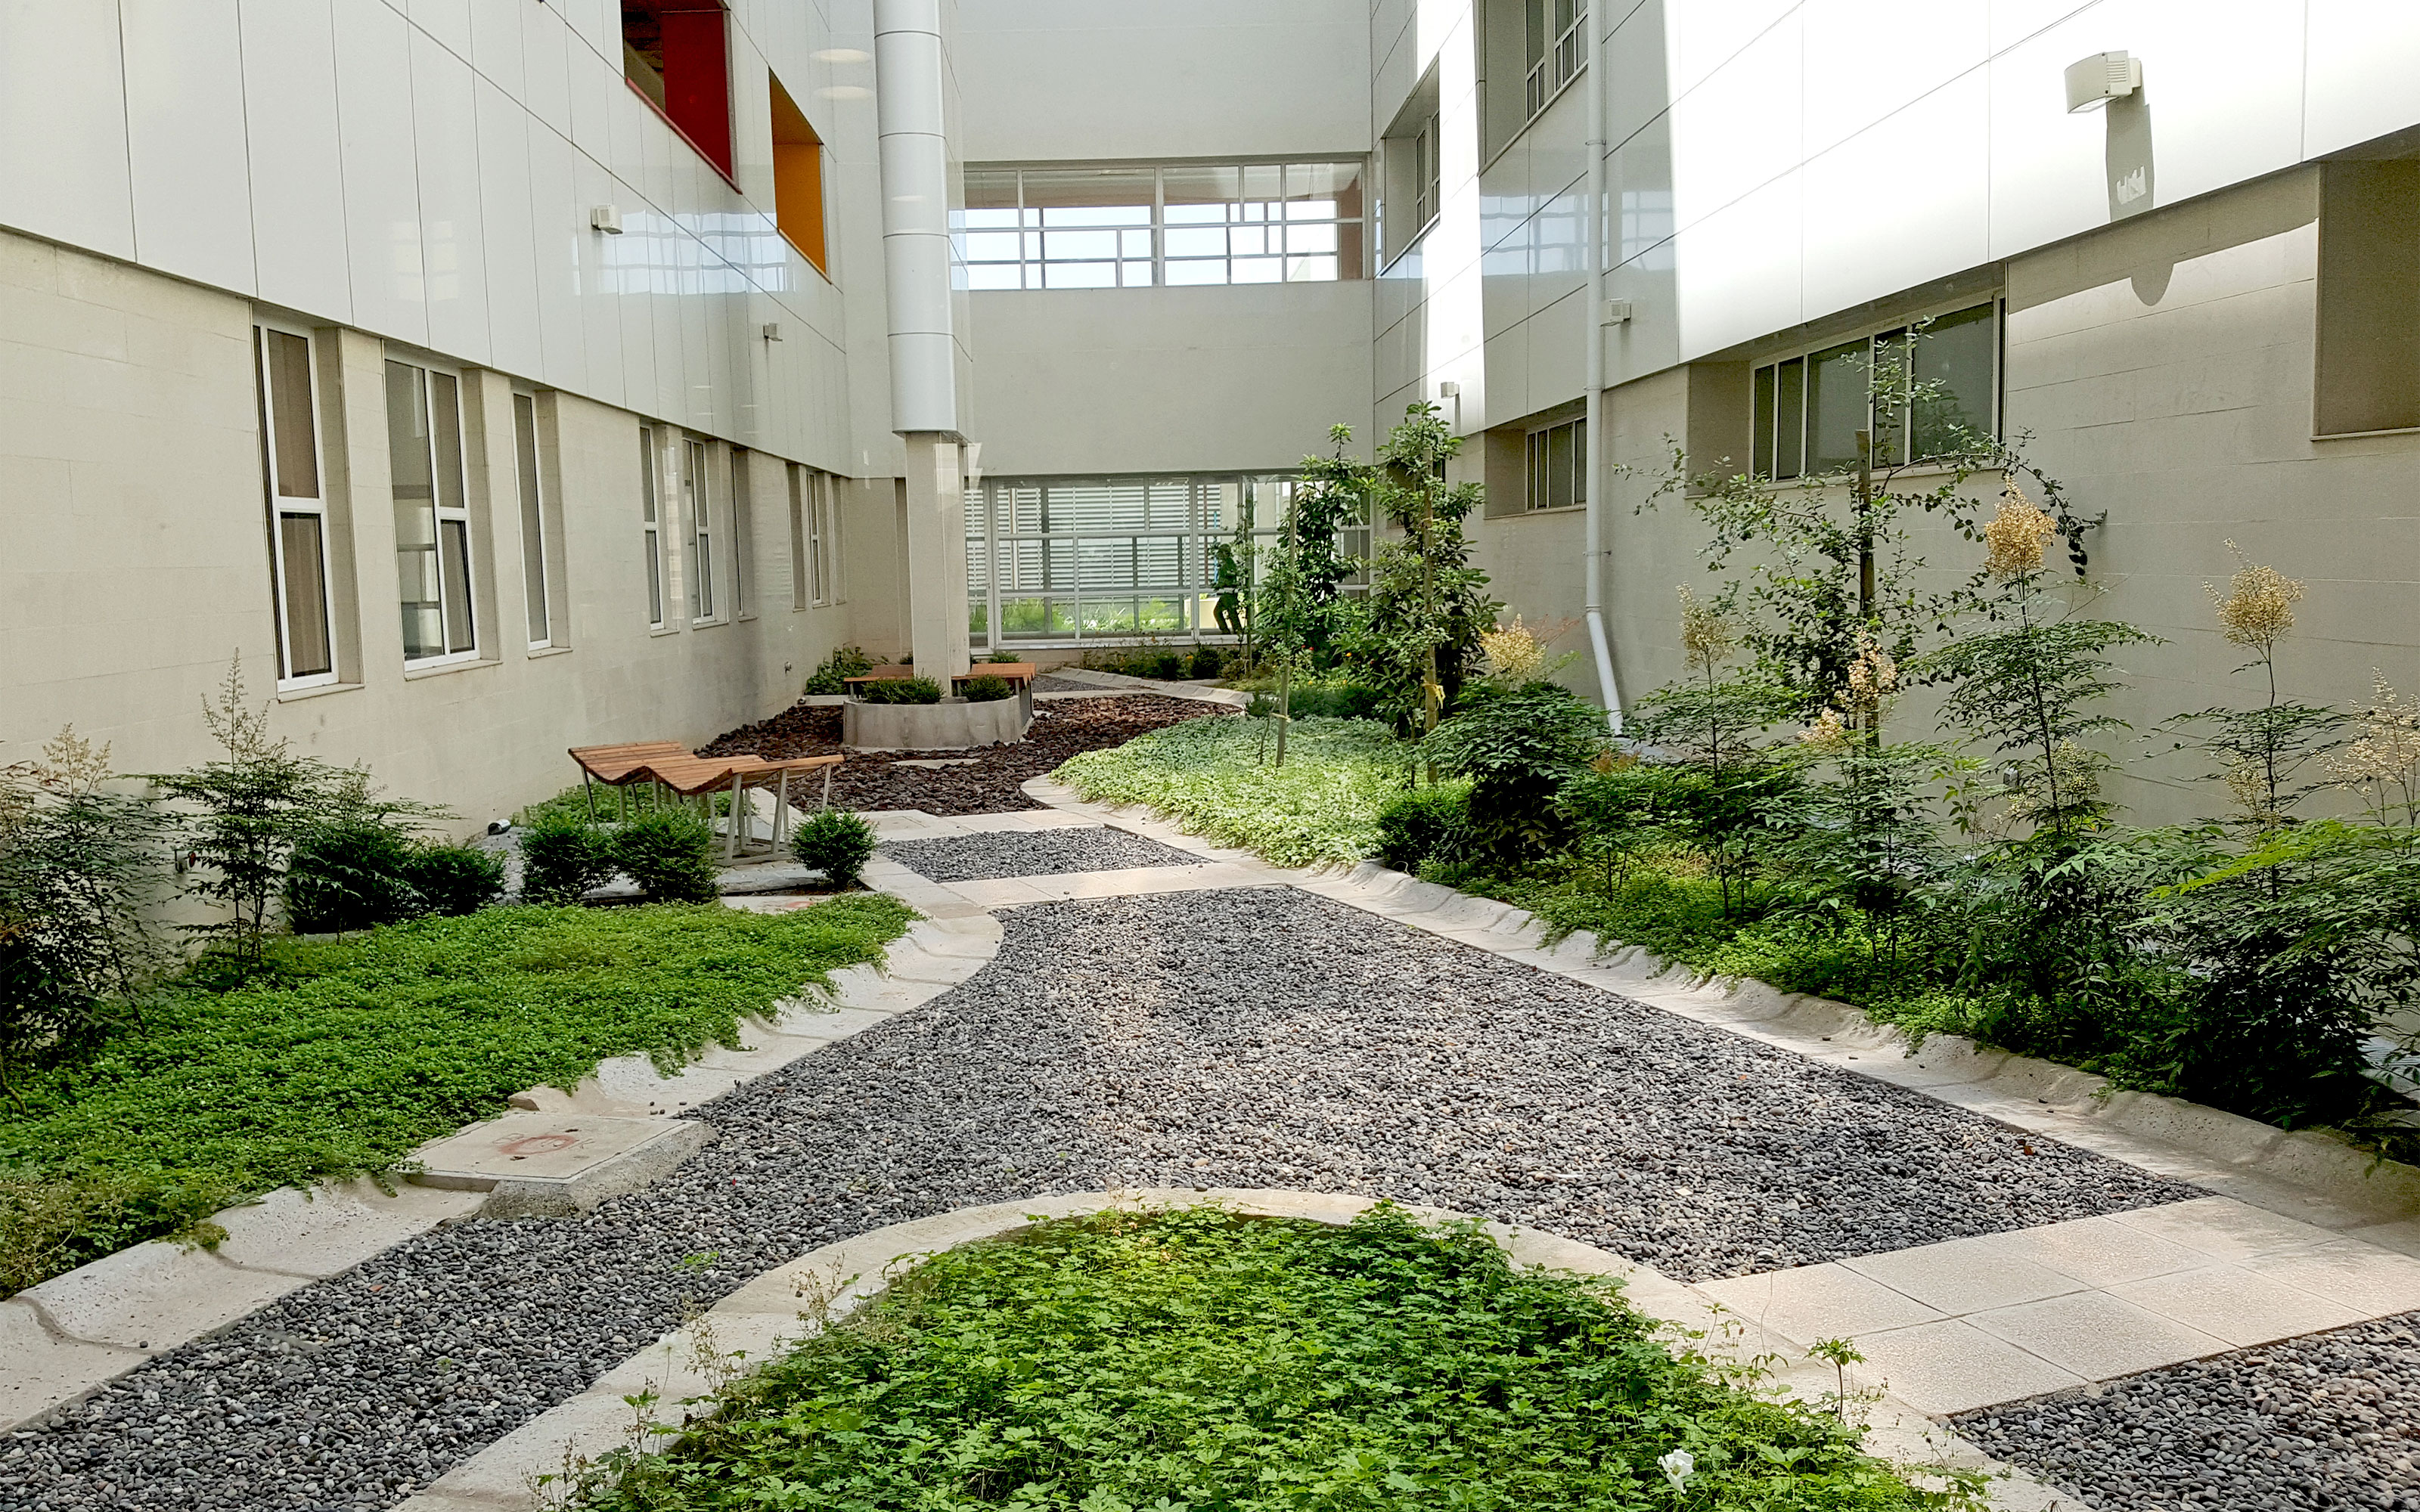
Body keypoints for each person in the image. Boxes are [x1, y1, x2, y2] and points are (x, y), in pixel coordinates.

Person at [1212, 543, 1244, 637]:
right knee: (1226, 612)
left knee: (1229, 612)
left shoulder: (1229, 564)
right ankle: (1233, 630)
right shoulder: (1226, 564)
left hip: (1228, 594)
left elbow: (1230, 576)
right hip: (1226, 593)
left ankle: (1236, 631)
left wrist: (1221, 584)